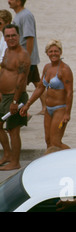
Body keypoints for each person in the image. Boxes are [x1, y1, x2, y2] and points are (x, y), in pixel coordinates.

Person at [20, 40, 74, 150]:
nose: (53, 53)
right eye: (51, 51)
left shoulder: (65, 69)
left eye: (56, 51)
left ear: (60, 52)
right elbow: (40, 88)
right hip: (48, 110)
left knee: (56, 143)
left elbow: (69, 93)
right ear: (47, 53)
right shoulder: (47, 67)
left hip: (60, 109)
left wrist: (67, 113)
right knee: (48, 141)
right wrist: (28, 105)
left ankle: (74, 158)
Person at [8, 0, 45, 114]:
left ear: (18, 2)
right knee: (37, 83)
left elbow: (29, 37)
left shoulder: (25, 15)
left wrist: (27, 57)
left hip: (26, 57)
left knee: (19, 84)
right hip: (23, 56)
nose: (9, 1)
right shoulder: (19, 15)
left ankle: (24, 111)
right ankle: (45, 107)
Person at [0, 24, 30, 171]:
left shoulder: (22, 55)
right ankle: (7, 154)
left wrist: (14, 101)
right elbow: (3, 72)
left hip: (15, 97)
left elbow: (21, 79)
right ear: (4, 37)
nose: (11, 38)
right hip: (4, 96)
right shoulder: (7, 50)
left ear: (18, 36)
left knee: (13, 130)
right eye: (8, 36)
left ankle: (15, 162)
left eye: (13, 35)